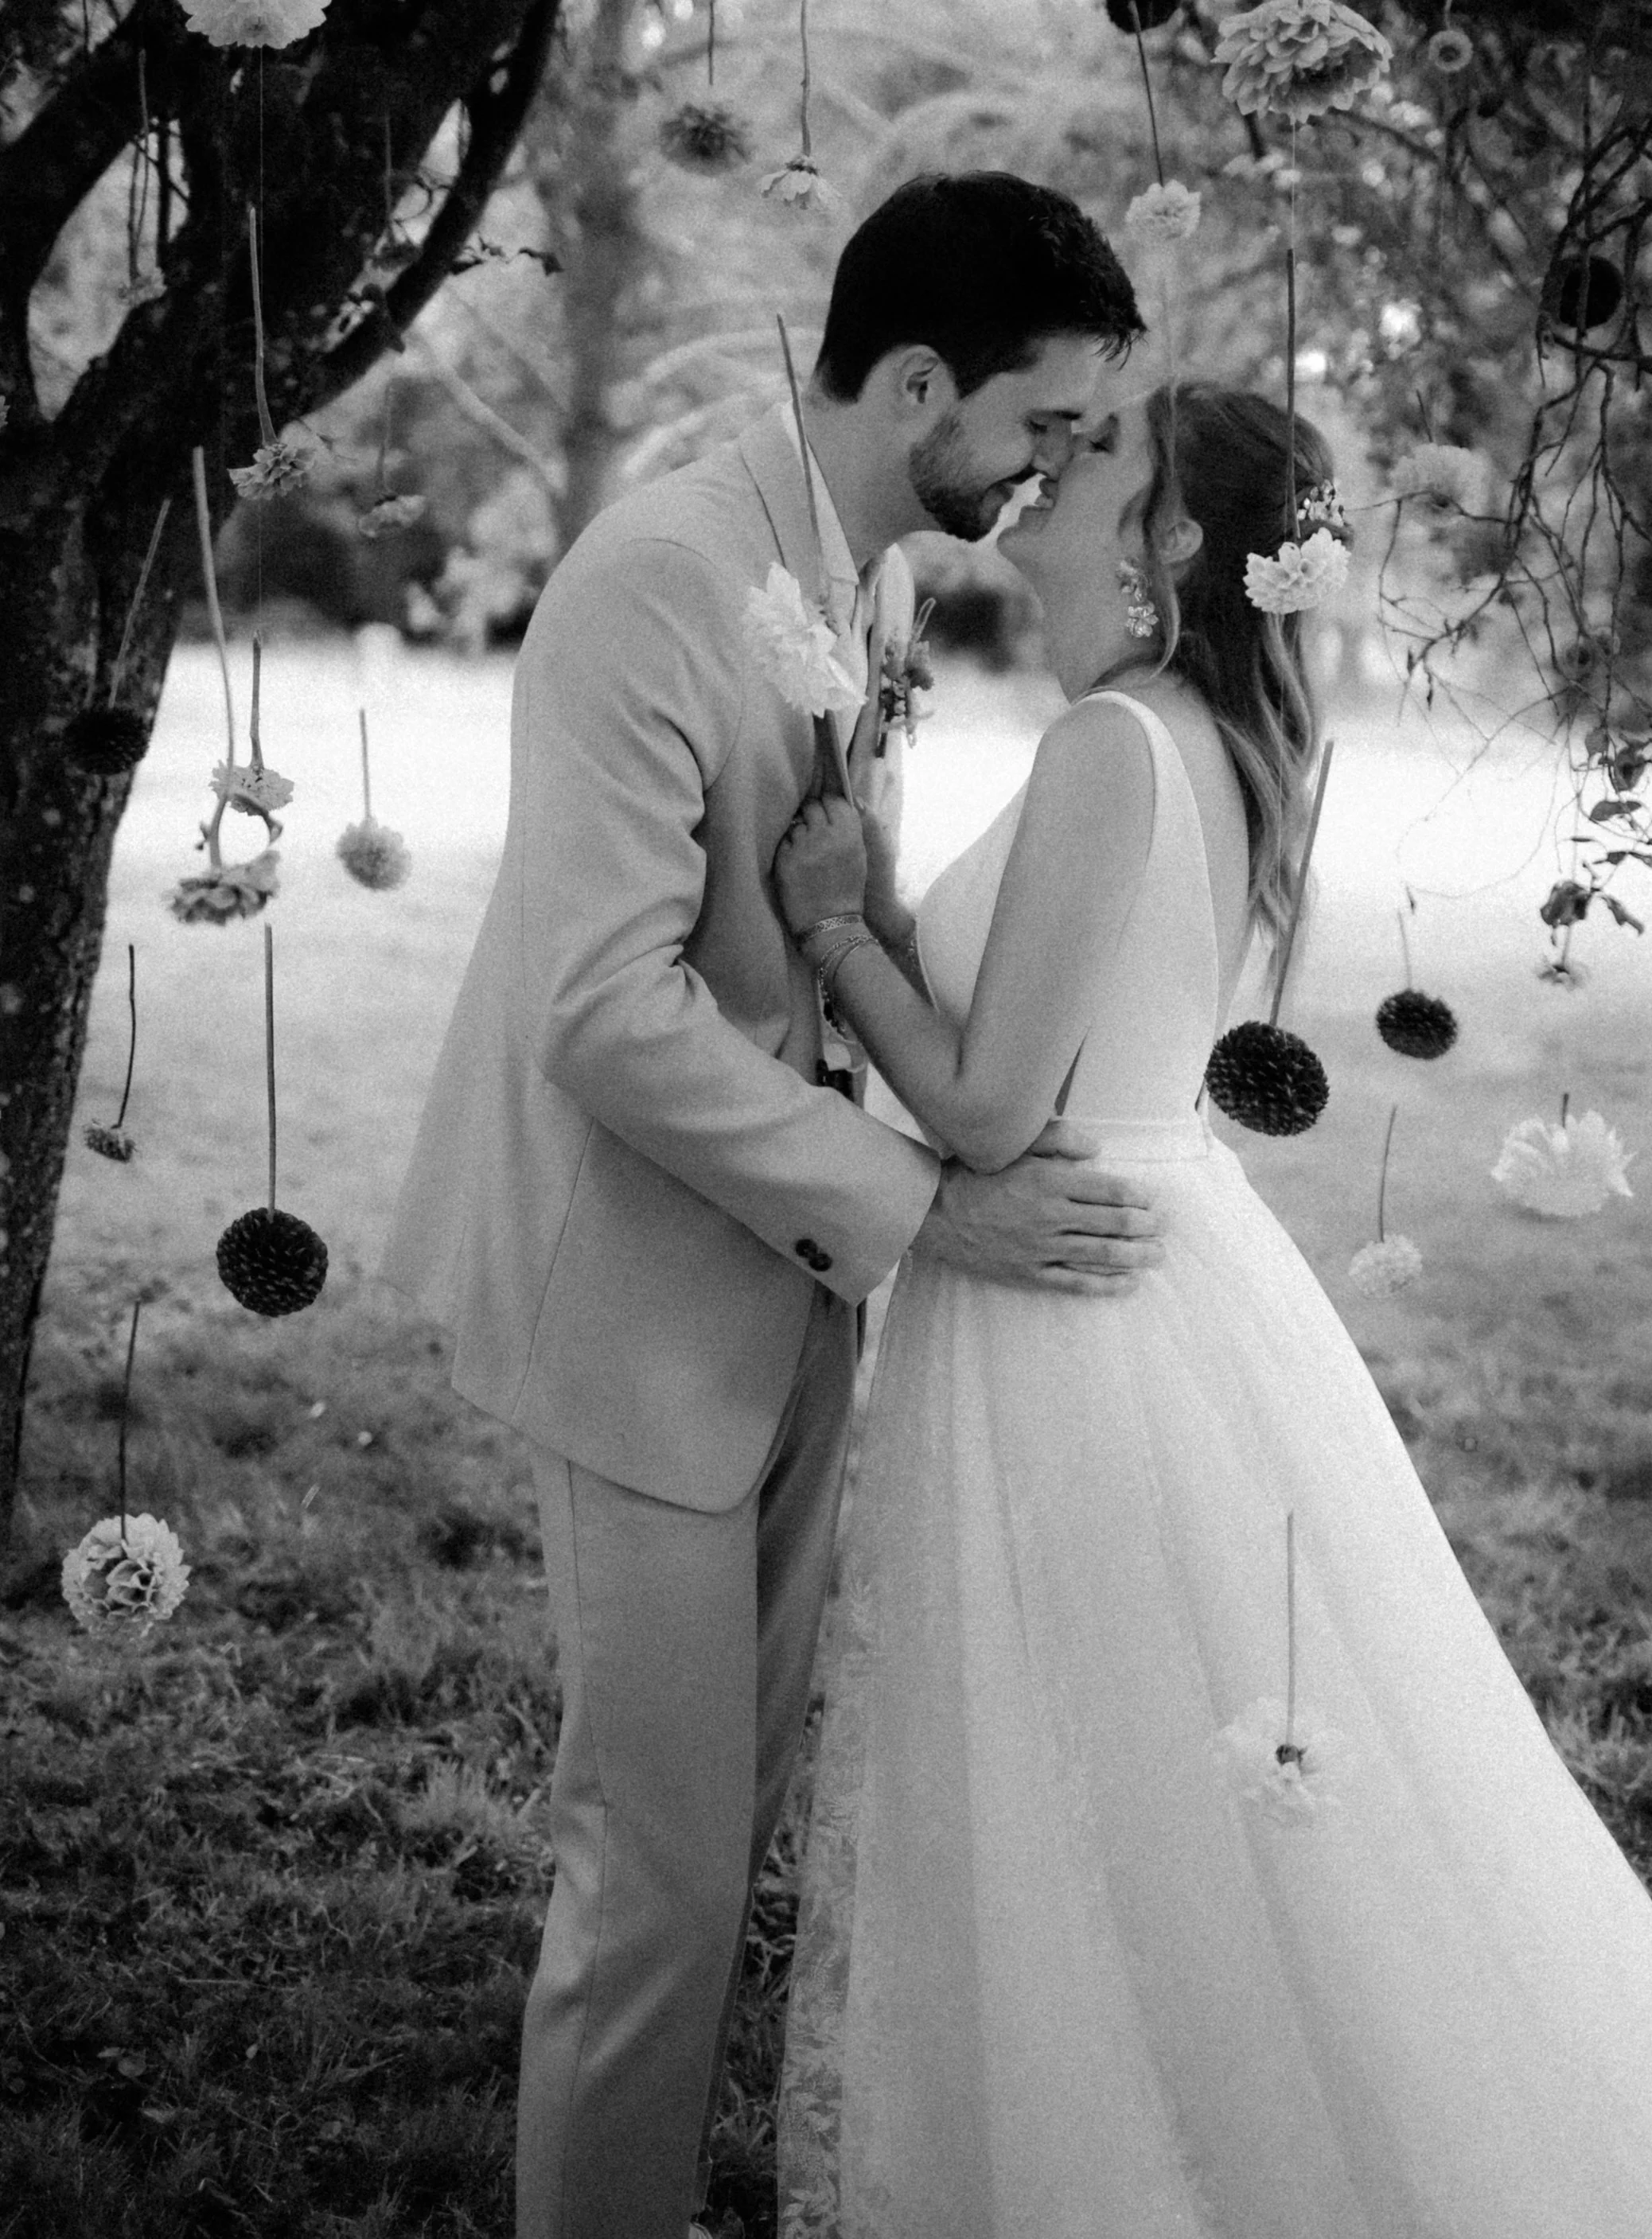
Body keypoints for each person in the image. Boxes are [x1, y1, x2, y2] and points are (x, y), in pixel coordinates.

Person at [770, 377, 1652, 2239]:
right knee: (1166, 1753)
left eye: (1100, 457)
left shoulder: (1114, 740)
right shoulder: (1218, 736)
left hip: (1080, 1294)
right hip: (1151, 1253)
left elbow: (997, 1106)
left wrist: (839, 931)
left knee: (1088, 1744)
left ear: (1174, 539)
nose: (1057, 468)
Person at [372, 171, 1163, 2239]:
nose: (1054, 467)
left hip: (789, 1280)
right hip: (634, 1290)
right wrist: (924, 1201)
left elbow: (808, 922)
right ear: (917, 382)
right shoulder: (655, 575)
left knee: (722, 1838)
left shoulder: (864, 580)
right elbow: (602, 1008)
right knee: (658, 1876)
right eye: (1042, 423)